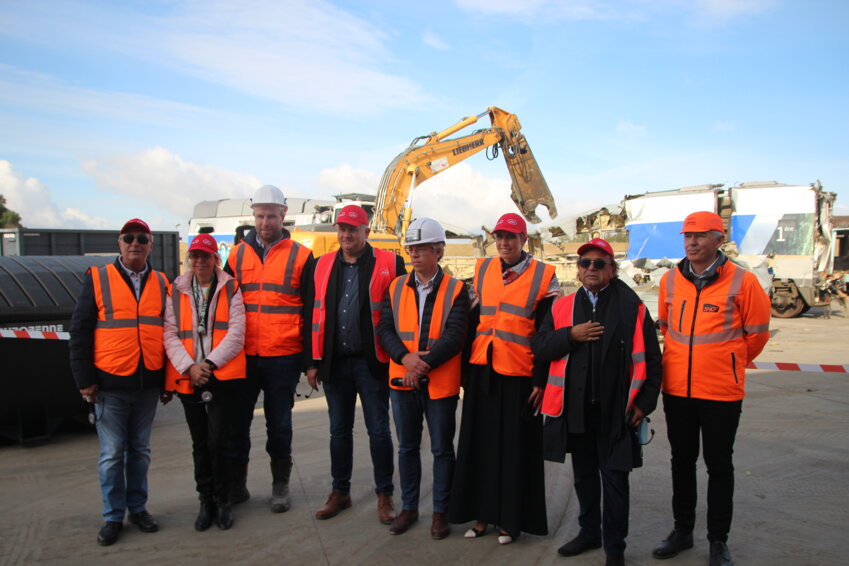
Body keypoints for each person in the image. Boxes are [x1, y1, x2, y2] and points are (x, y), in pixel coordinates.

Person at [532, 238, 662, 566]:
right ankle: (589, 532)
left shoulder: (631, 307)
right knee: (584, 476)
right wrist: (570, 336)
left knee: (615, 479)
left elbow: (653, 359)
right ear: (577, 270)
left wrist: (644, 404)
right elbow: (542, 346)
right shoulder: (562, 307)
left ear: (611, 269)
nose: (591, 269)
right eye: (585, 263)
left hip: (616, 413)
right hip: (576, 411)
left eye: (599, 263)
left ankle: (614, 547)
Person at [652, 211, 770, 566]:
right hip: (677, 391)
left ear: (719, 240)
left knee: (719, 466)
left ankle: (718, 540)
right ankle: (682, 531)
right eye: (687, 236)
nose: (691, 242)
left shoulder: (744, 282)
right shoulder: (670, 280)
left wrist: (726, 363)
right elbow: (667, 328)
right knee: (681, 463)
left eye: (700, 236)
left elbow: (758, 335)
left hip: (721, 393)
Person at [448, 212, 559, 545]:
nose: (504, 243)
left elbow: (547, 331)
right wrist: (464, 370)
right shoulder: (482, 270)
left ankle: (510, 520)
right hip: (483, 369)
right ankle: (482, 516)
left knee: (514, 451)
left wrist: (542, 380)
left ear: (524, 239)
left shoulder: (544, 276)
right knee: (479, 447)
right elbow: (468, 322)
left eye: (511, 237)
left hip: (521, 375)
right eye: (499, 237)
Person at [69, 218, 171, 546]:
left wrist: (167, 381)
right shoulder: (98, 279)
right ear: (120, 242)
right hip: (109, 385)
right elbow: (80, 331)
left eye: (142, 238)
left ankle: (138, 509)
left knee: (140, 451)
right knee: (112, 454)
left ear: (150, 245)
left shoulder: (161, 282)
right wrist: (85, 380)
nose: (135, 243)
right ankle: (113, 517)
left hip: (147, 384)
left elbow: (169, 334)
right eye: (129, 238)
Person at [305, 204, 405, 524]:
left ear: (366, 231)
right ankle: (340, 492)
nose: (346, 234)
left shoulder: (390, 262)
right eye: (342, 229)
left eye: (352, 229)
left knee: (378, 430)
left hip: (372, 362)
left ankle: (385, 495)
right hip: (335, 364)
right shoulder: (321, 266)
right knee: (339, 431)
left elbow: (404, 313)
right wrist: (312, 362)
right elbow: (312, 315)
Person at [376, 217, 469, 540]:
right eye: (411, 249)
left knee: (443, 450)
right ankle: (409, 508)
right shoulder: (396, 286)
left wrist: (421, 365)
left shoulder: (457, 290)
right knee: (408, 448)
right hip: (403, 382)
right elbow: (385, 329)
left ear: (439, 251)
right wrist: (406, 359)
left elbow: (456, 335)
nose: (414, 255)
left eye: (421, 248)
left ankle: (441, 513)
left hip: (439, 383)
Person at [226, 185, 315, 513]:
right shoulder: (236, 255)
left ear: (283, 215)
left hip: (283, 356)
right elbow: (224, 305)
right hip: (243, 356)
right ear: (253, 215)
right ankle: (237, 485)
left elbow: (310, 310)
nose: (265, 222)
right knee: (238, 424)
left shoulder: (301, 256)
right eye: (260, 215)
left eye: (272, 216)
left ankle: (280, 485)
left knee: (279, 425)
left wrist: (309, 362)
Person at [164, 234, 246, 531]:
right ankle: (206, 500)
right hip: (190, 378)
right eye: (195, 256)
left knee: (218, 443)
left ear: (216, 259)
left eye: (205, 256)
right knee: (199, 444)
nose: (200, 262)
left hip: (219, 376)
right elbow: (169, 335)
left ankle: (224, 500)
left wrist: (208, 364)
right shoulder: (176, 290)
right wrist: (189, 367)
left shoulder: (231, 288)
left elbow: (237, 333)